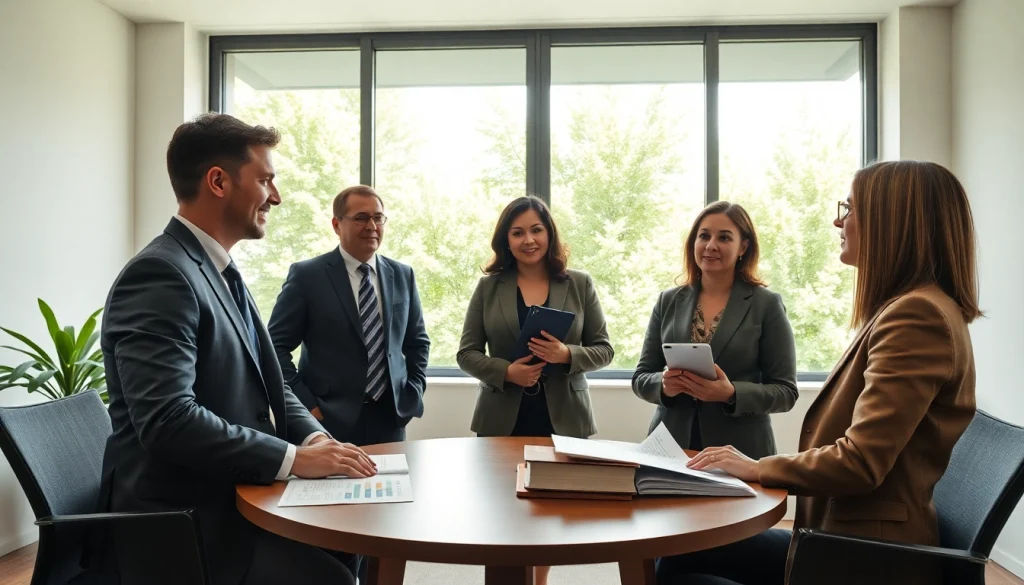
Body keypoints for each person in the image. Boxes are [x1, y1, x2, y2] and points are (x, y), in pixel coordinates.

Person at [659, 161, 981, 585]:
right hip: (840, 534)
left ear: (892, 221)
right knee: (678, 555)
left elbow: (861, 462)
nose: (838, 220)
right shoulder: (911, 308)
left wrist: (758, 467)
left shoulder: (915, 316)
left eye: (849, 209)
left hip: (863, 557)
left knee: (677, 574)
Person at [97, 113, 376, 585]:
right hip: (187, 522)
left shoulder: (220, 270)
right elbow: (167, 419)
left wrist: (315, 441)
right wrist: (293, 462)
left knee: (352, 542)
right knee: (333, 576)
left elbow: (272, 382)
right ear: (219, 181)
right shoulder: (162, 275)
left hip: (235, 494)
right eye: (266, 179)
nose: (276, 196)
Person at [267, 184, 430, 582]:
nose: (372, 225)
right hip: (329, 423)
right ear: (337, 223)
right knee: (335, 532)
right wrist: (310, 407)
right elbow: (273, 349)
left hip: (390, 418)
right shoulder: (308, 275)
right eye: (361, 217)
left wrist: (412, 392)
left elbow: (417, 342)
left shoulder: (401, 274)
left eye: (378, 217)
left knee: (387, 526)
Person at [457, 195, 613, 585]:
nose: (529, 240)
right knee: (499, 513)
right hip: (501, 416)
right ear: (505, 240)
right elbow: (466, 353)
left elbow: (604, 349)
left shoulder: (578, 283)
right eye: (518, 232)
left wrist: (566, 355)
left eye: (536, 230)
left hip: (563, 417)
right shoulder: (489, 287)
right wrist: (506, 372)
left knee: (550, 516)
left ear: (550, 233)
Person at [633, 201, 798, 460]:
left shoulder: (766, 304)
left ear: (743, 246)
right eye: (704, 236)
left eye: (724, 237)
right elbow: (641, 378)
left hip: (740, 451)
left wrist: (731, 393)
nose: (711, 245)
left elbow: (786, 392)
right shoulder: (668, 301)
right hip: (670, 447)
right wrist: (663, 385)